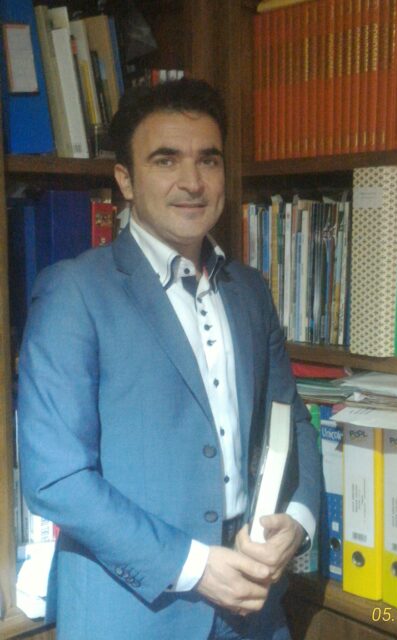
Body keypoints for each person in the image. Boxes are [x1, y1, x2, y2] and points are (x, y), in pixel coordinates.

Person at [18, 78, 321, 640]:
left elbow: (292, 421)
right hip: (133, 613)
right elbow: (55, 478)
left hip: (255, 608)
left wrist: (297, 522)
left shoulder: (250, 290)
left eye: (208, 160)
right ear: (125, 180)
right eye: (166, 160)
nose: (192, 182)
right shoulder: (74, 292)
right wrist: (197, 567)